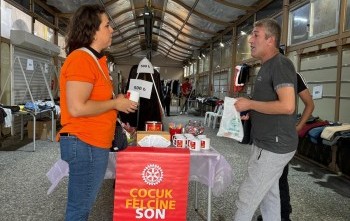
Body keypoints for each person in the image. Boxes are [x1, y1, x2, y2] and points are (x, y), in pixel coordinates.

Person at [57, 5, 138, 220]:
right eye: (107, 25)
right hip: (85, 143)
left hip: (92, 143)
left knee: (81, 206)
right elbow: (77, 107)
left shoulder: (95, 60)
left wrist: (116, 101)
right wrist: (114, 105)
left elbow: (92, 101)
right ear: (92, 30)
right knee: (79, 209)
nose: (111, 30)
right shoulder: (81, 59)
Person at [234, 18, 298, 221]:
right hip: (265, 142)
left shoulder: (280, 64)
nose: (250, 40)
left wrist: (251, 105)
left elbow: (288, 106)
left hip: (274, 145)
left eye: (256, 34)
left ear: (270, 40)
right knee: (269, 197)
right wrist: (250, 110)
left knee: (247, 198)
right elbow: (271, 104)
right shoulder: (266, 66)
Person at [257, 71, 315, 221]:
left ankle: (283, 215)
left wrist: (300, 126)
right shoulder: (264, 74)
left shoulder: (291, 74)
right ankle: (271, 214)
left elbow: (309, 104)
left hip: (281, 137)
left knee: (279, 177)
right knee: (266, 178)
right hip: (265, 136)